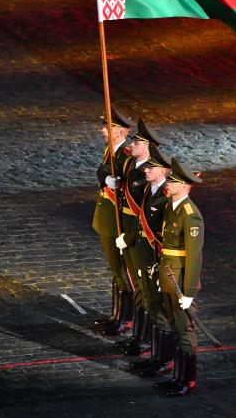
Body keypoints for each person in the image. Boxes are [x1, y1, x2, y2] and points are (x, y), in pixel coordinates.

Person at [155, 157, 204, 397]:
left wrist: (189, 291)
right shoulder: (171, 207)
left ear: (183, 186)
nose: (168, 185)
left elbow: (194, 257)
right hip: (168, 274)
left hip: (181, 280)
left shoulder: (190, 214)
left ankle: (188, 380)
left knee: (185, 331)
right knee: (174, 325)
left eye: (172, 182)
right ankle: (177, 376)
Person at [111, 118, 161, 338]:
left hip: (137, 237)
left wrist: (129, 236)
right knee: (134, 282)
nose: (132, 145)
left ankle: (142, 338)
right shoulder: (134, 166)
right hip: (128, 231)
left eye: (137, 143)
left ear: (148, 148)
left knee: (141, 286)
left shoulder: (145, 175)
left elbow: (142, 214)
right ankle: (138, 336)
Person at [125, 143, 172, 361]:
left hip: (156, 260)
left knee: (159, 309)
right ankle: (152, 352)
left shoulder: (166, 199)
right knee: (149, 303)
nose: (146, 170)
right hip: (143, 256)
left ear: (162, 171)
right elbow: (139, 222)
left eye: (151, 167)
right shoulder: (148, 190)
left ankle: (161, 359)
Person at [92, 105, 133, 334]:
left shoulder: (124, 154)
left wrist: (107, 178)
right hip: (107, 219)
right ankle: (116, 314)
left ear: (122, 131)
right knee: (115, 270)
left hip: (117, 221)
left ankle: (125, 319)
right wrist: (105, 178)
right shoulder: (111, 150)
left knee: (121, 271)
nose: (103, 130)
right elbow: (101, 171)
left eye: (108, 126)